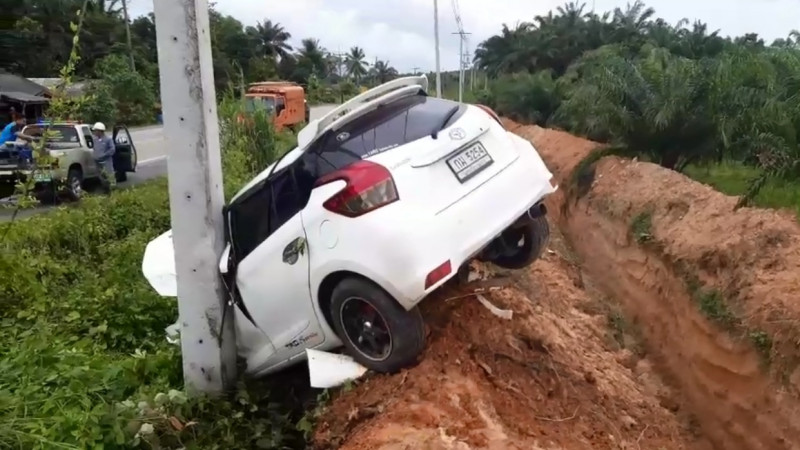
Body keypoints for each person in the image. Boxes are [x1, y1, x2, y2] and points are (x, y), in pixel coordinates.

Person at [91, 122, 116, 194]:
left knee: (109, 176)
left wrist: (104, 155)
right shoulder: (95, 139)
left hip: (106, 162)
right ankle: (105, 190)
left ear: (100, 131)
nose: (94, 132)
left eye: (95, 130)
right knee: (102, 177)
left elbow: (112, 150)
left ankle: (113, 191)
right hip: (98, 162)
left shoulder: (108, 139)